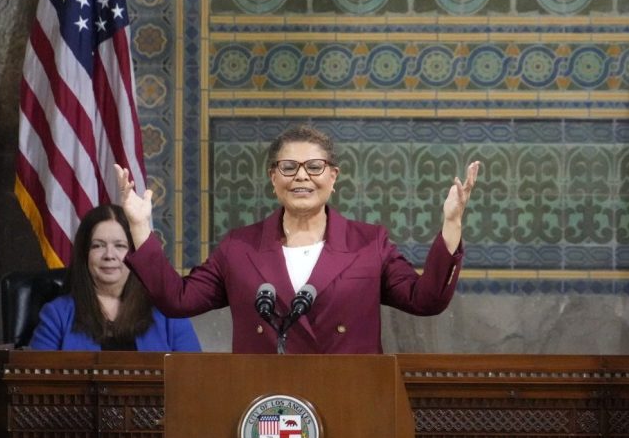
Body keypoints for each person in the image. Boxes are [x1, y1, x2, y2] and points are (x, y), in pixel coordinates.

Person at [115, 124, 480, 354]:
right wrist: (139, 227)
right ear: (273, 179)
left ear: (333, 177)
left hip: (351, 401)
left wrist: (451, 223)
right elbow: (178, 300)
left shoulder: (370, 244)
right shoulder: (239, 248)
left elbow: (426, 300)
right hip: (264, 410)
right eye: (288, 168)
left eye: (315, 167)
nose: (301, 177)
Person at [29, 205, 202, 351]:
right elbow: (35, 382)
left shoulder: (168, 313)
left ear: (135, 254)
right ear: (85, 255)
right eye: (98, 246)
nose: (109, 255)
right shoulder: (56, 315)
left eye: (120, 246)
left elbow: (196, 378)